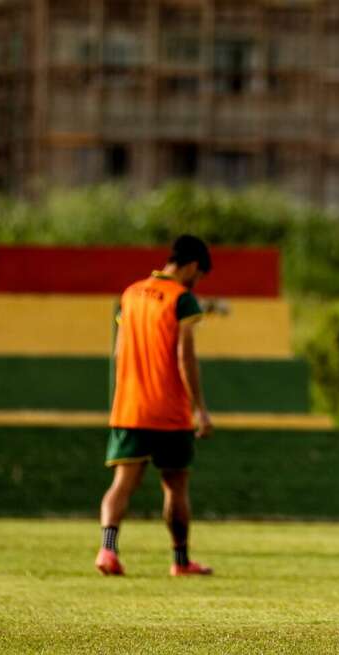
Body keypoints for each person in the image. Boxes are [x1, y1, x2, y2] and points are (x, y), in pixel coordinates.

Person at [95, 234, 215, 578]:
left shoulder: (130, 294)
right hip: (169, 412)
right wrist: (199, 409)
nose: (197, 281)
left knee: (121, 483)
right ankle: (180, 561)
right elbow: (184, 356)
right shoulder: (182, 299)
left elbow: (118, 353)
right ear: (192, 266)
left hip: (130, 407)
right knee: (175, 487)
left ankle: (107, 550)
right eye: (199, 274)